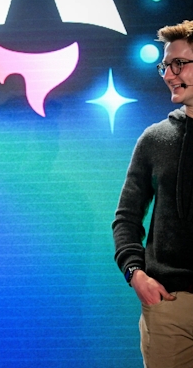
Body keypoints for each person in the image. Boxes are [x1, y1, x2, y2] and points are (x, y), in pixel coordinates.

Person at [113, 19, 193, 368]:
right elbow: (126, 218)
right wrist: (135, 273)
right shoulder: (154, 139)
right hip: (169, 306)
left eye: (179, 63)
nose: (168, 74)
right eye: (165, 65)